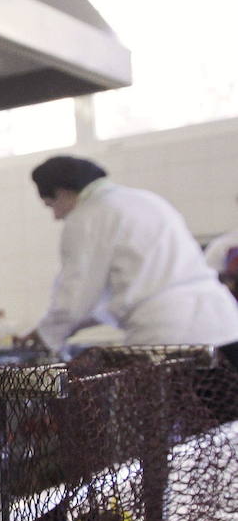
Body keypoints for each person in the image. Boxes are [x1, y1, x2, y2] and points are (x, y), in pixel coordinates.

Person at [17, 155, 238, 368]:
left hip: (171, 337)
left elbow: (74, 299)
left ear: (62, 192)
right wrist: (51, 329)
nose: (56, 216)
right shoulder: (146, 200)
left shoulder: (87, 216)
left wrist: (44, 336)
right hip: (226, 323)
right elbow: (109, 302)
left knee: (176, 406)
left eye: (51, 205)